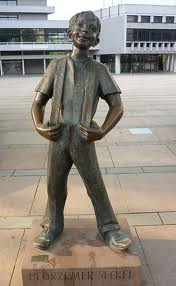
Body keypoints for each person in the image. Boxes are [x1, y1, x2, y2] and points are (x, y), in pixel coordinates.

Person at [31, 10, 131, 252]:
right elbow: (38, 103)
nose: (85, 31)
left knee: (94, 183)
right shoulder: (56, 66)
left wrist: (103, 131)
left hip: (84, 137)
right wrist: (39, 126)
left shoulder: (99, 70)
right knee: (54, 185)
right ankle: (53, 225)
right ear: (70, 33)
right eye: (81, 26)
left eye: (92, 29)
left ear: (96, 40)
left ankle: (109, 227)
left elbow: (117, 106)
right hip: (57, 136)